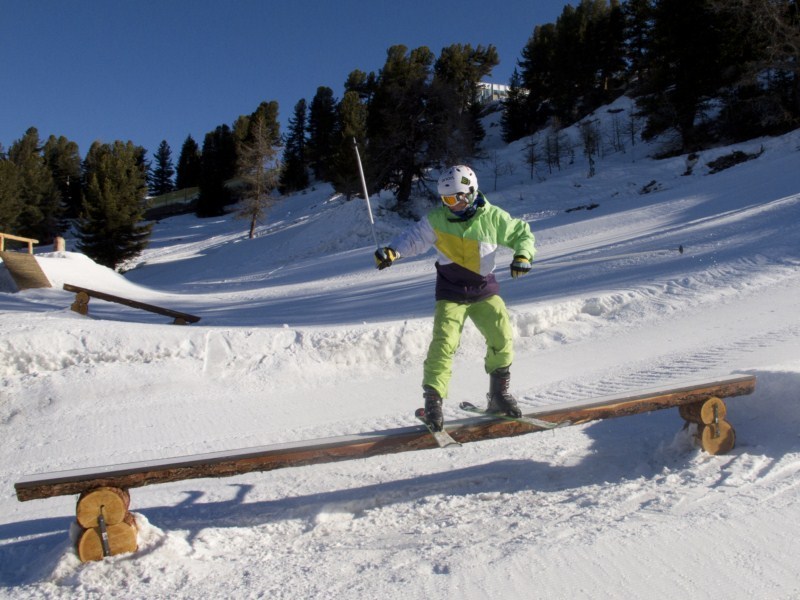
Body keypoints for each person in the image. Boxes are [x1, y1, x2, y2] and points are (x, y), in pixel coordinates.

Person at [374, 165, 535, 431]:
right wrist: (393, 251)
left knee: (502, 335)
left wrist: (523, 255)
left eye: (455, 198)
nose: (451, 205)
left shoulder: (493, 217)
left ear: (470, 193)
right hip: (451, 292)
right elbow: (414, 238)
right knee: (444, 343)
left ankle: (498, 395)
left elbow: (521, 233)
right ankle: (433, 402)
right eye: (446, 200)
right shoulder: (438, 219)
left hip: (483, 289)